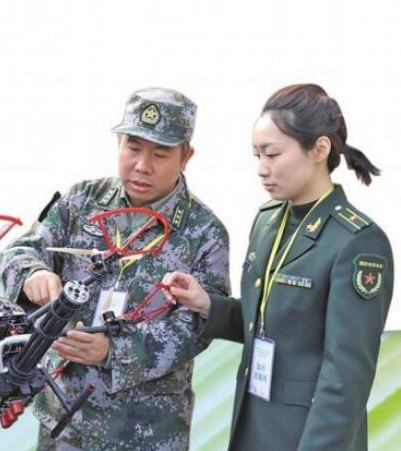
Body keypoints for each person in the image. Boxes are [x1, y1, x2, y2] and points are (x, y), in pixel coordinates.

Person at [163, 83, 394, 451]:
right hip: (254, 425)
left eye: (272, 154)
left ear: (319, 149)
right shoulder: (268, 221)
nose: (261, 169)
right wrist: (207, 304)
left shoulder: (357, 243)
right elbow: (269, 324)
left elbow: (346, 379)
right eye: (256, 155)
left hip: (308, 437)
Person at [0, 87, 230, 450]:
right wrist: (33, 274)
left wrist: (114, 351)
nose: (142, 166)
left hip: (146, 433)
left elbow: (199, 326)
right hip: (65, 425)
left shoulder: (204, 232)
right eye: (132, 148)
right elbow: (20, 250)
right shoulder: (82, 201)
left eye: (160, 154)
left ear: (187, 156)